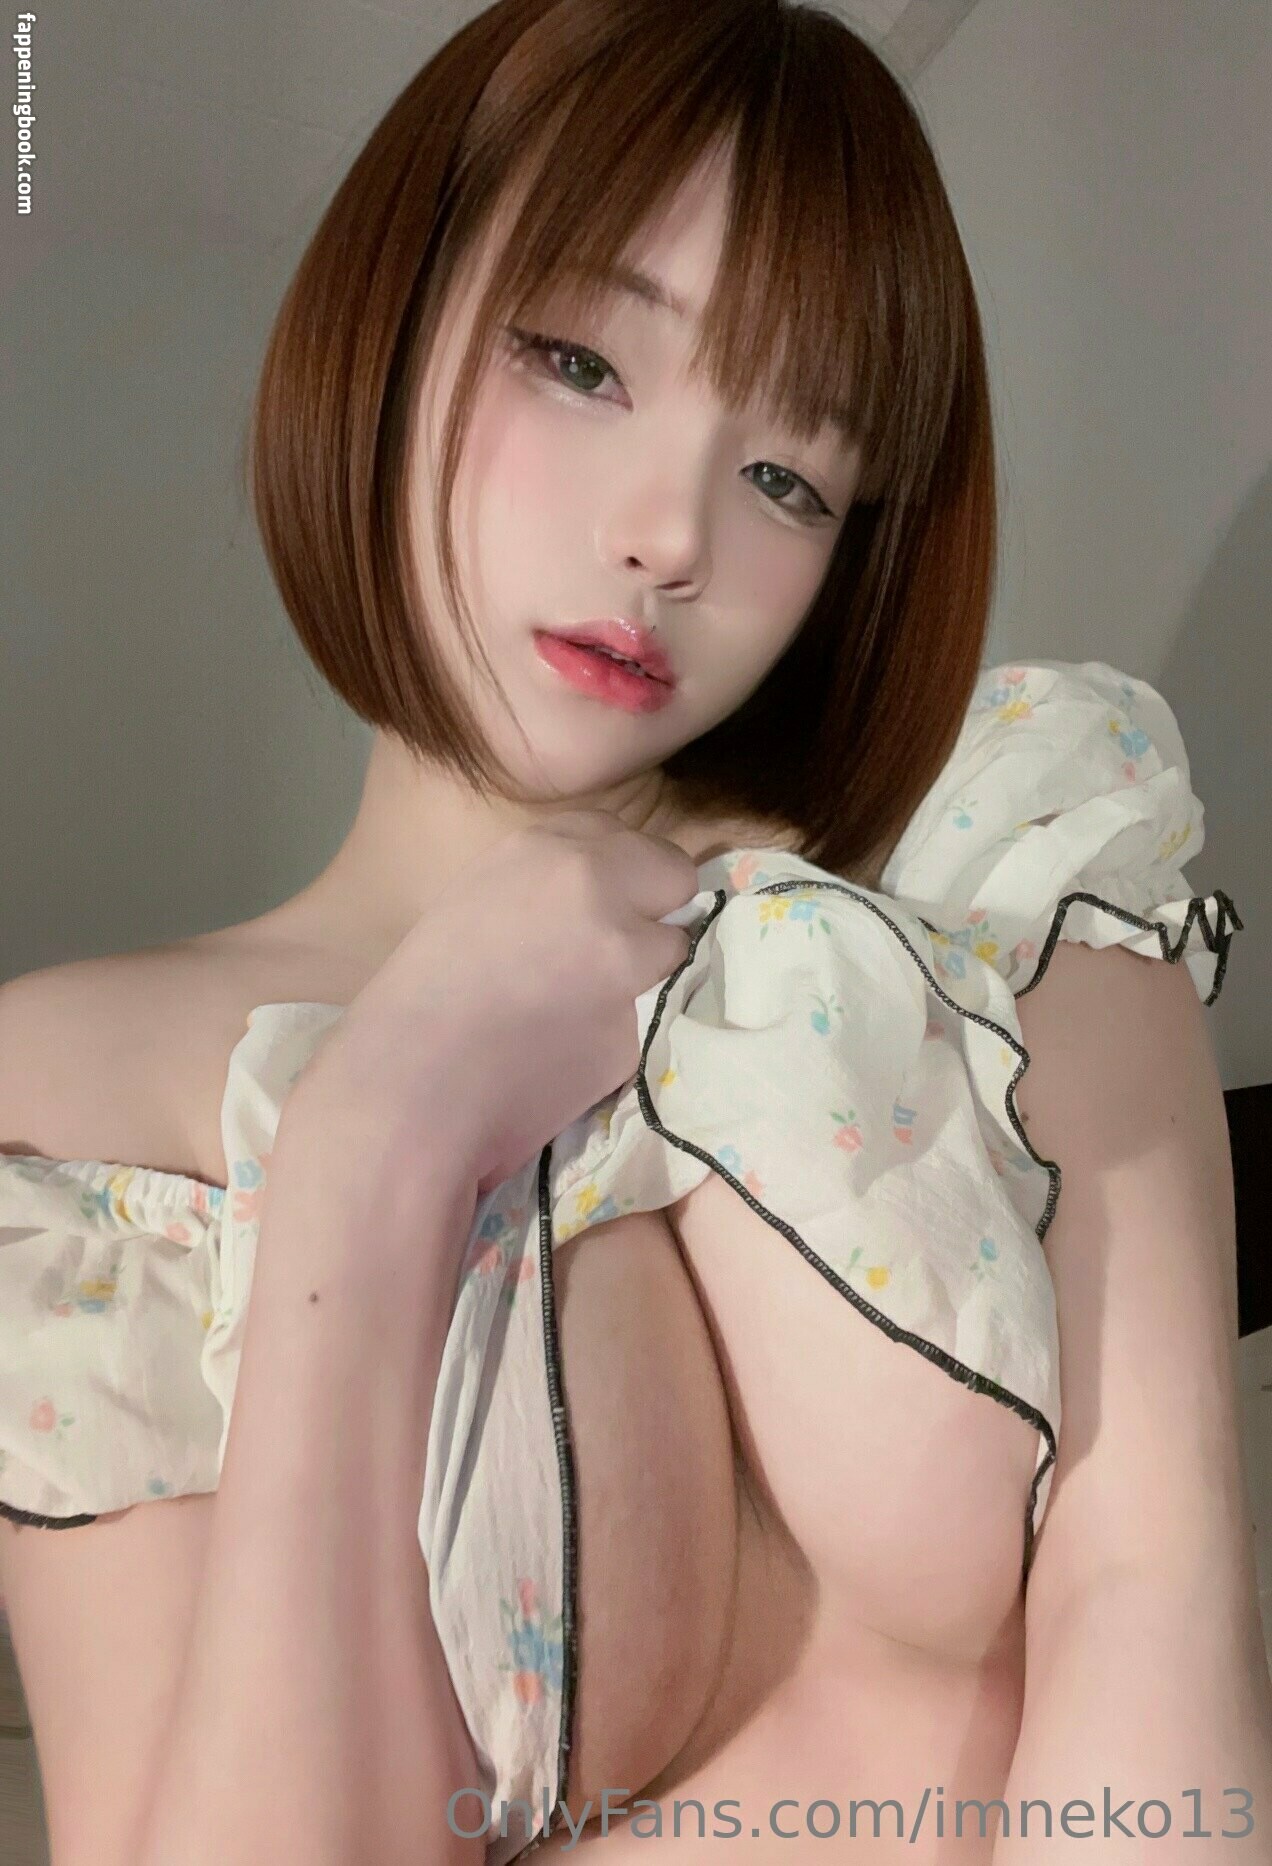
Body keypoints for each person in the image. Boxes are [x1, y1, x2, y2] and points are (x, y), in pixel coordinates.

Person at [1, 1, 1268, 1862]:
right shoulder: (70, 1097)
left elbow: (1156, 1598)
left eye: (787, 478)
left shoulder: (1008, 867)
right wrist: (378, 1135)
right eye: (583, 361)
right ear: (399, 312)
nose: (672, 533)